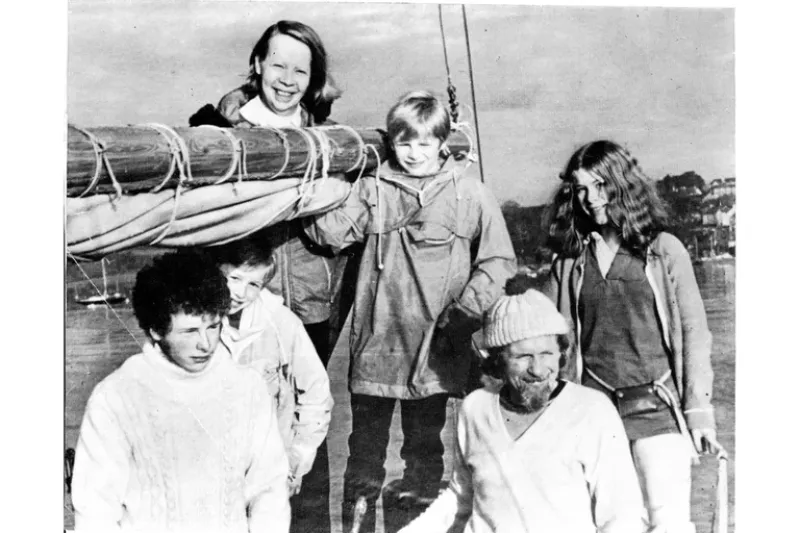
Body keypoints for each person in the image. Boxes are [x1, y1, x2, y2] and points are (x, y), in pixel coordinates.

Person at [304, 91, 517, 532]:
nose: (414, 153)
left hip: (436, 351)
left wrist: (465, 312)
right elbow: (327, 235)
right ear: (392, 143)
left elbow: (499, 261)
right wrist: (330, 182)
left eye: (424, 143)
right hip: (376, 348)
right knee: (364, 456)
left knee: (424, 456)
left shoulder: (470, 194)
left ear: (443, 142)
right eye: (404, 142)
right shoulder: (372, 189)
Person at [544, 140, 724, 533]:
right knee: (613, 525)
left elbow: (694, 334)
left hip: (657, 409)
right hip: (593, 414)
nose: (590, 199)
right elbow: (550, 342)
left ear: (623, 185)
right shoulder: (570, 261)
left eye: (601, 186)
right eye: (581, 189)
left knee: (669, 522)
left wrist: (699, 413)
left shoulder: (664, 251)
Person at [400, 277, 646, 533]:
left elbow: (621, 514)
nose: (538, 370)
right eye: (523, 356)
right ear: (498, 360)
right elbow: (461, 496)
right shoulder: (475, 408)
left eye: (547, 354)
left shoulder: (591, 410)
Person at [71, 250, 290, 533]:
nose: (206, 344)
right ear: (156, 331)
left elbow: (269, 489)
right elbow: (95, 510)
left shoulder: (247, 387)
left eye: (213, 327)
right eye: (189, 332)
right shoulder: (115, 397)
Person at [207, 234, 334, 533]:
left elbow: (316, 390)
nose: (241, 292)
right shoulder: (195, 321)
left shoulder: (281, 321)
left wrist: (300, 453)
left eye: (254, 285)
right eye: (234, 278)